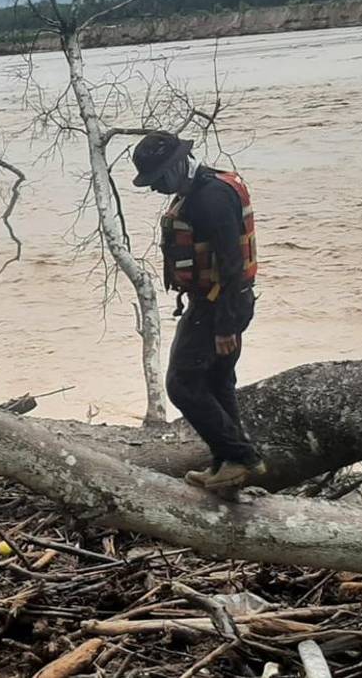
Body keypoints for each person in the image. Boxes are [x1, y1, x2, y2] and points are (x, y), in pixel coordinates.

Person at [131, 131, 264, 490]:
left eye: (158, 179)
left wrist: (225, 326)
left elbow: (232, 264)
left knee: (182, 385)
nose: (155, 188)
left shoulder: (211, 199)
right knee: (218, 381)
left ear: (177, 166)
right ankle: (227, 465)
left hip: (219, 304)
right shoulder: (202, 188)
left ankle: (240, 457)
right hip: (223, 302)